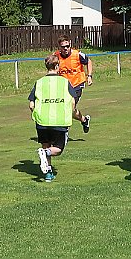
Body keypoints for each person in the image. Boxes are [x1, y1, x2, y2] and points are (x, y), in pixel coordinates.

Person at [28, 53, 88, 182]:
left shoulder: (39, 82)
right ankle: (46, 155)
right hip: (59, 120)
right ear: (57, 66)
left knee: (46, 144)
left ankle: (48, 173)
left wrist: (37, 114)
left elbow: (31, 104)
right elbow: (72, 103)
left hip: (42, 121)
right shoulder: (64, 82)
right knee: (58, 149)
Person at [54, 35, 92, 133]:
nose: (66, 48)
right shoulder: (56, 56)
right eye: (63, 47)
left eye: (67, 46)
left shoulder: (77, 54)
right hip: (63, 86)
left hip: (77, 84)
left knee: (70, 107)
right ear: (59, 47)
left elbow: (88, 61)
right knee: (69, 109)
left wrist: (89, 76)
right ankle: (84, 120)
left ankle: (64, 130)